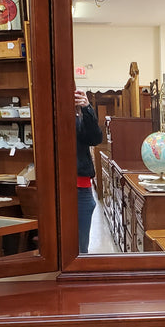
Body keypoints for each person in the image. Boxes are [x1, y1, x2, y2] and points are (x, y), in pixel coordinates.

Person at [75, 88, 103, 253]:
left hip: (82, 186)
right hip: (57, 186)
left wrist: (86, 108)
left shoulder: (80, 117)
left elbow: (95, 138)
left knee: (80, 248)